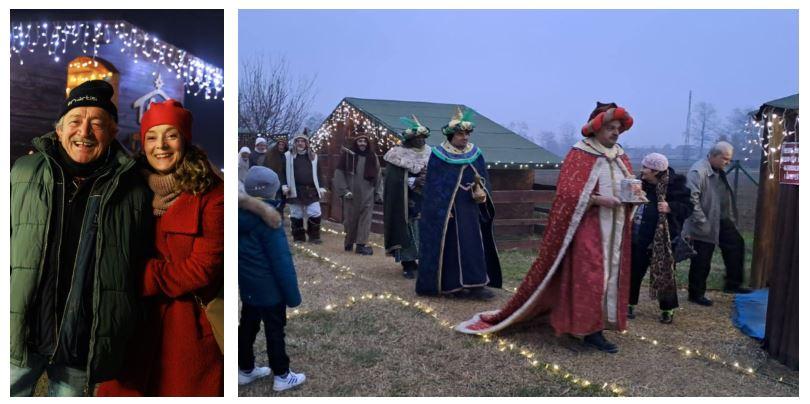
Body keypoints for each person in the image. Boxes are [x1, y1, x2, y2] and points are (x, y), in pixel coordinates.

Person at [456, 102, 637, 354]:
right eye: (610, 127)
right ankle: (587, 331)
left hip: (614, 231)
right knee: (590, 278)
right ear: (596, 129)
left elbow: (629, 183)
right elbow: (567, 193)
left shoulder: (620, 155)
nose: (615, 132)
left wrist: (634, 195)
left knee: (607, 278)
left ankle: (596, 325)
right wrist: (597, 199)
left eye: (618, 128)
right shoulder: (581, 153)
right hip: (586, 228)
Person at [10, 80, 151, 396]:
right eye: (75, 121)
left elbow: (138, 262)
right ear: (59, 129)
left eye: (97, 123)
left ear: (113, 131)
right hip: (21, 329)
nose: (84, 132)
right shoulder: (22, 174)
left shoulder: (133, 191)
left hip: (83, 340)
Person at [97, 99, 224, 396]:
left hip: (187, 327)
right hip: (132, 324)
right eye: (152, 136)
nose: (161, 146)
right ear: (143, 142)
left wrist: (137, 276)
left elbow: (203, 268)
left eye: (171, 135)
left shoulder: (212, 193)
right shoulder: (128, 186)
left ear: (185, 139)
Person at [415, 107, 501, 300]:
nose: (465, 138)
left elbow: (483, 177)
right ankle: (452, 286)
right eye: (461, 134)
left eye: (467, 134)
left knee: (474, 244)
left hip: (471, 209)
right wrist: (441, 209)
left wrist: (481, 189)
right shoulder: (439, 155)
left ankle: (477, 284)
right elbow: (434, 186)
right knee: (452, 246)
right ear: (452, 135)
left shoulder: (475, 153)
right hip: (450, 212)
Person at [238, 166, 306, 392]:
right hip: (270, 291)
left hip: (248, 287)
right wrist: (293, 297)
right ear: (273, 191)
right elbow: (281, 262)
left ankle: (245, 368)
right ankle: (282, 375)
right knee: (274, 329)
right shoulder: (270, 220)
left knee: (247, 326)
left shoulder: (235, 215)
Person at [682, 141, 752, 306]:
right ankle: (696, 293)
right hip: (704, 221)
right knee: (702, 258)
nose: (727, 162)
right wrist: (702, 222)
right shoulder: (698, 172)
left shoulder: (718, 169)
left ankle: (733, 284)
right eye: (725, 158)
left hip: (721, 219)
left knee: (736, 245)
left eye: (729, 159)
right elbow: (692, 200)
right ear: (713, 155)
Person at [628, 153, 693, 324]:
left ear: (656, 171)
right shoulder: (640, 184)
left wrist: (670, 207)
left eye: (645, 168)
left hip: (663, 239)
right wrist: (632, 195)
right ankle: (628, 304)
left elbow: (688, 207)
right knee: (634, 272)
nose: (642, 171)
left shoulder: (675, 187)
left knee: (665, 275)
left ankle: (667, 309)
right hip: (640, 235)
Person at [383, 115, 432, 278]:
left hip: (426, 199)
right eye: (417, 138)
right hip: (405, 200)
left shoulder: (431, 152)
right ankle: (408, 263)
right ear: (410, 139)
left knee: (426, 231)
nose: (421, 141)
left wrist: (428, 179)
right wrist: (413, 180)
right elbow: (393, 179)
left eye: (423, 137)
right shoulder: (397, 154)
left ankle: (424, 261)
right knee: (408, 230)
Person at [332, 127, 382, 255]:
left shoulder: (372, 156)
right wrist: (344, 190)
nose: (362, 144)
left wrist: (378, 193)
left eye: (364, 141)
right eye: (360, 141)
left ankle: (361, 245)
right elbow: (339, 174)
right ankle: (349, 242)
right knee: (350, 220)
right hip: (351, 194)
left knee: (365, 220)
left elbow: (378, 175)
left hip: (368, 193)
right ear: (356, 143)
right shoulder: (348, 156)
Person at [281, 129, 326, 244]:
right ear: (294, 143)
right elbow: (282, 172)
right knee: (296, 213)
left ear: (306, 143)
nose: (300, 143)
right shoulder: (287, 156)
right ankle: (299, 238)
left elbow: (319, 173)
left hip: (311, 190)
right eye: (298, 141)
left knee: (315, 212)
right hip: (295, 189)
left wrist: (321, 187)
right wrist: (284, 185)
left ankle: (314, 237)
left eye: (302, 141)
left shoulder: (313, 157)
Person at [265, 134, 289, 217]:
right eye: (279, 144)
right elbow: (266, 166)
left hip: (285, 180)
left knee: (283, 200)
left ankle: (280, 215)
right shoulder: (271, 154)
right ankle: (274, 216)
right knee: (275, 200)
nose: (281, 146)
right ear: (277, 144)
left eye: (283, 144)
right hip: (274, 180)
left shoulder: (287, 155)